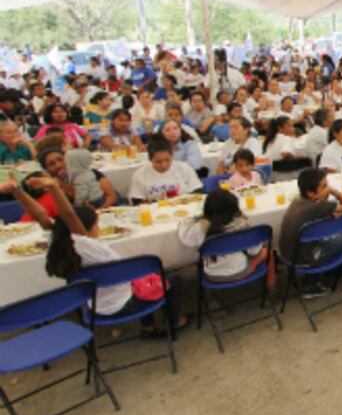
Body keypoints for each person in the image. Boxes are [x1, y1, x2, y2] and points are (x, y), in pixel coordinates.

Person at [15, 175, 185, 337]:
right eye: (96, 224)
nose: (98, 228)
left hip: (94, 306)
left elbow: (40, 216)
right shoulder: (83, 243)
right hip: (125, 304)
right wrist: (52, 187)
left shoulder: (62, 240)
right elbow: (69, 214)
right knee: (173, 279)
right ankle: (174, 322)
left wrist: (17, 191)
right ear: (85, 228)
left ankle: (148, 326)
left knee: (137, 278)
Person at [278, 168, 342, 297]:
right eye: (324, 186)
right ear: (310, 193)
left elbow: (323, 215)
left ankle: (322, 277)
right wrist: (334, 192)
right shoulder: (320, 206)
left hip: (288, 255)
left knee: (335, 237)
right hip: (304, 258)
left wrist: (331, 213)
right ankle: (314, 282)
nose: (328, 189)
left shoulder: (297, 202)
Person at [178, 190, 270, 284]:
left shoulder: (200, 229)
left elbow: (185, 223)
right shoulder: (243, 225)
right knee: (268, 251)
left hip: (210, 274)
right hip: (239, 271)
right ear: (235, 208)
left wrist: (204, 217)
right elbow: (254, 252)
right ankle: (271, 290)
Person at [128, 137, 203, 203]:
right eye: (158, 162)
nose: (164, 165)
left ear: (172, 156)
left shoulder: (183, 168)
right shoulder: (140, 174)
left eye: (167, 160)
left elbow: (197, 191)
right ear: (150, 160)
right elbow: (136, 200)